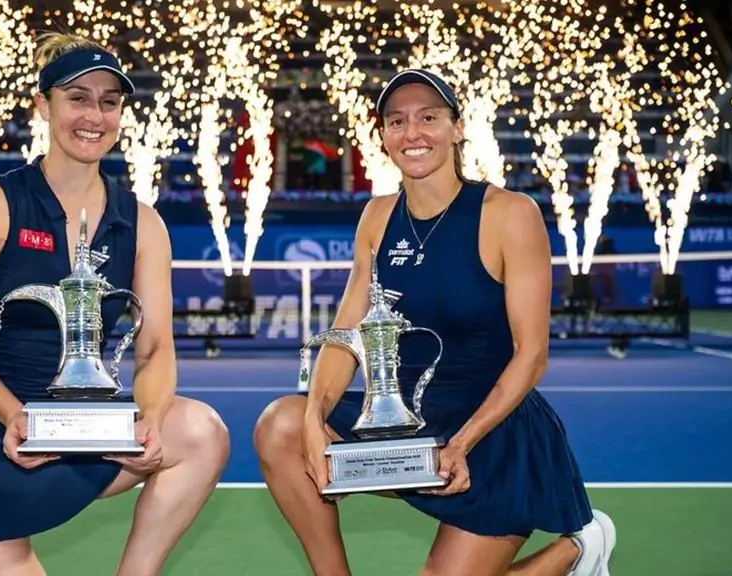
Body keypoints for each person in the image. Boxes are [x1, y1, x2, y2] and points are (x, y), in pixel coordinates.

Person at [0, 32, 230, 576]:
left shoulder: (143, 223)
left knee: (201, 432)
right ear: (43, 106)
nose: (94, 116)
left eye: (108, 102)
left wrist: (152, 418)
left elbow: (156, 347)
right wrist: (12, 414)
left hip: (75, 423)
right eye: (77, 98)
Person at [253, 69, 616, 576]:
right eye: (397, 121)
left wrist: (463, 443)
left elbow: (531, 355)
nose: (413, 133)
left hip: (492, 431)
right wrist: (315, 418)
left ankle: (578, 550)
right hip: (413, 422)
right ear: (383, 136)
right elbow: (346, 334)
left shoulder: (510, 213)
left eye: (428, 118)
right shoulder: (377, 217)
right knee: (282, 425)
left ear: (457, 128)